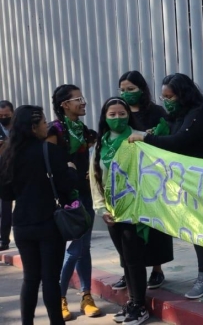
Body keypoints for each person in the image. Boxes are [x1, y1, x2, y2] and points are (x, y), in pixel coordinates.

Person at [128, 73, 203, 299]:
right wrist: (153, 133)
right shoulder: (179, 115)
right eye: (163, 97)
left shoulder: (200, 114)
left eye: (170, 96)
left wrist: (145, 138)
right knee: (195, 226)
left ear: (183, 94)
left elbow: (179, 143)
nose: (166, 101)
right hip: (189, 180)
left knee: (200, 227)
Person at [0, 105, 77, 325]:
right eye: (44, 122)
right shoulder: (50, 151)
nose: (47, 126)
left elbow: (5, 193)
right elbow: (66, 185)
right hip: (49, 223)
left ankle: (27, 322)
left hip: (22, 225)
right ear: (34, 127)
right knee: (50, 279)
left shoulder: (8, 154)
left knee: (30, 278)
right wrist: (71, 169)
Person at [90, 97, 150, 325]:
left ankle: (139, 305)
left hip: (134, 210)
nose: (118, 118)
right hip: (112, 211)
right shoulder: (100, 143)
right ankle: (133, 302)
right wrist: (101, 208)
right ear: (105, 117)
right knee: (125, 259)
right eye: (112, 115)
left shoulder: (138, 138)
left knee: (134, 259)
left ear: (129, 114)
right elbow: (95, 180)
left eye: (122, 113)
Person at [112, 70, 173, 291]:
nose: (126, 94)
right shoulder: (121, 112)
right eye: (123, 90)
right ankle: (128, 270)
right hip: (126, 179)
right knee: (126, 229)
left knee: (152, 224)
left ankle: (157, 269)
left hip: (151, 177)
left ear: (142, 89)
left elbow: (166, 138)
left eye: (131, 89)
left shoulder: (156, 111)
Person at [47, 84, 100, 320]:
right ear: (64, 105)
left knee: (84, 248)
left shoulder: (84, 131)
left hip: (86, 194)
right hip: (67, 199)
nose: (83, 102)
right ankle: (58, 298)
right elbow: (49, 165)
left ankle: (86, 296)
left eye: (82, 97)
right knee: (75, 248)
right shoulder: (54, 131)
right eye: (78, 99)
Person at [0, 100, 14, 251]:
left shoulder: (19, 128)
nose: (3, 118)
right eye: (0, 115)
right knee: (4, 208)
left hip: (18, 171)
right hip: (2, 172)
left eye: (6, 115)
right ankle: (3, 240)